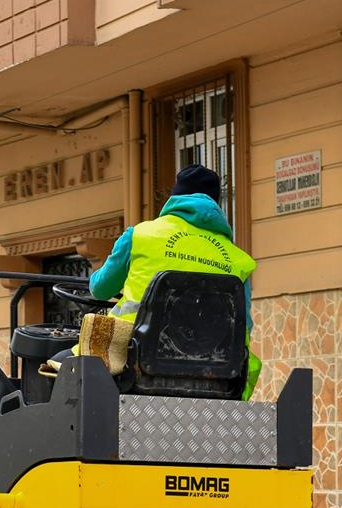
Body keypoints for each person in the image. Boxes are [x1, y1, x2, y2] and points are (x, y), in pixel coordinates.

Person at [57, 164, 260, 400]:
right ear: (217, 205)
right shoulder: (239, 260)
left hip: (133, 364)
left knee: (56, 363)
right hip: (215, 377)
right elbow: (244, 327)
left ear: (174, 198)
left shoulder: (141, 235)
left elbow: (100, 289)